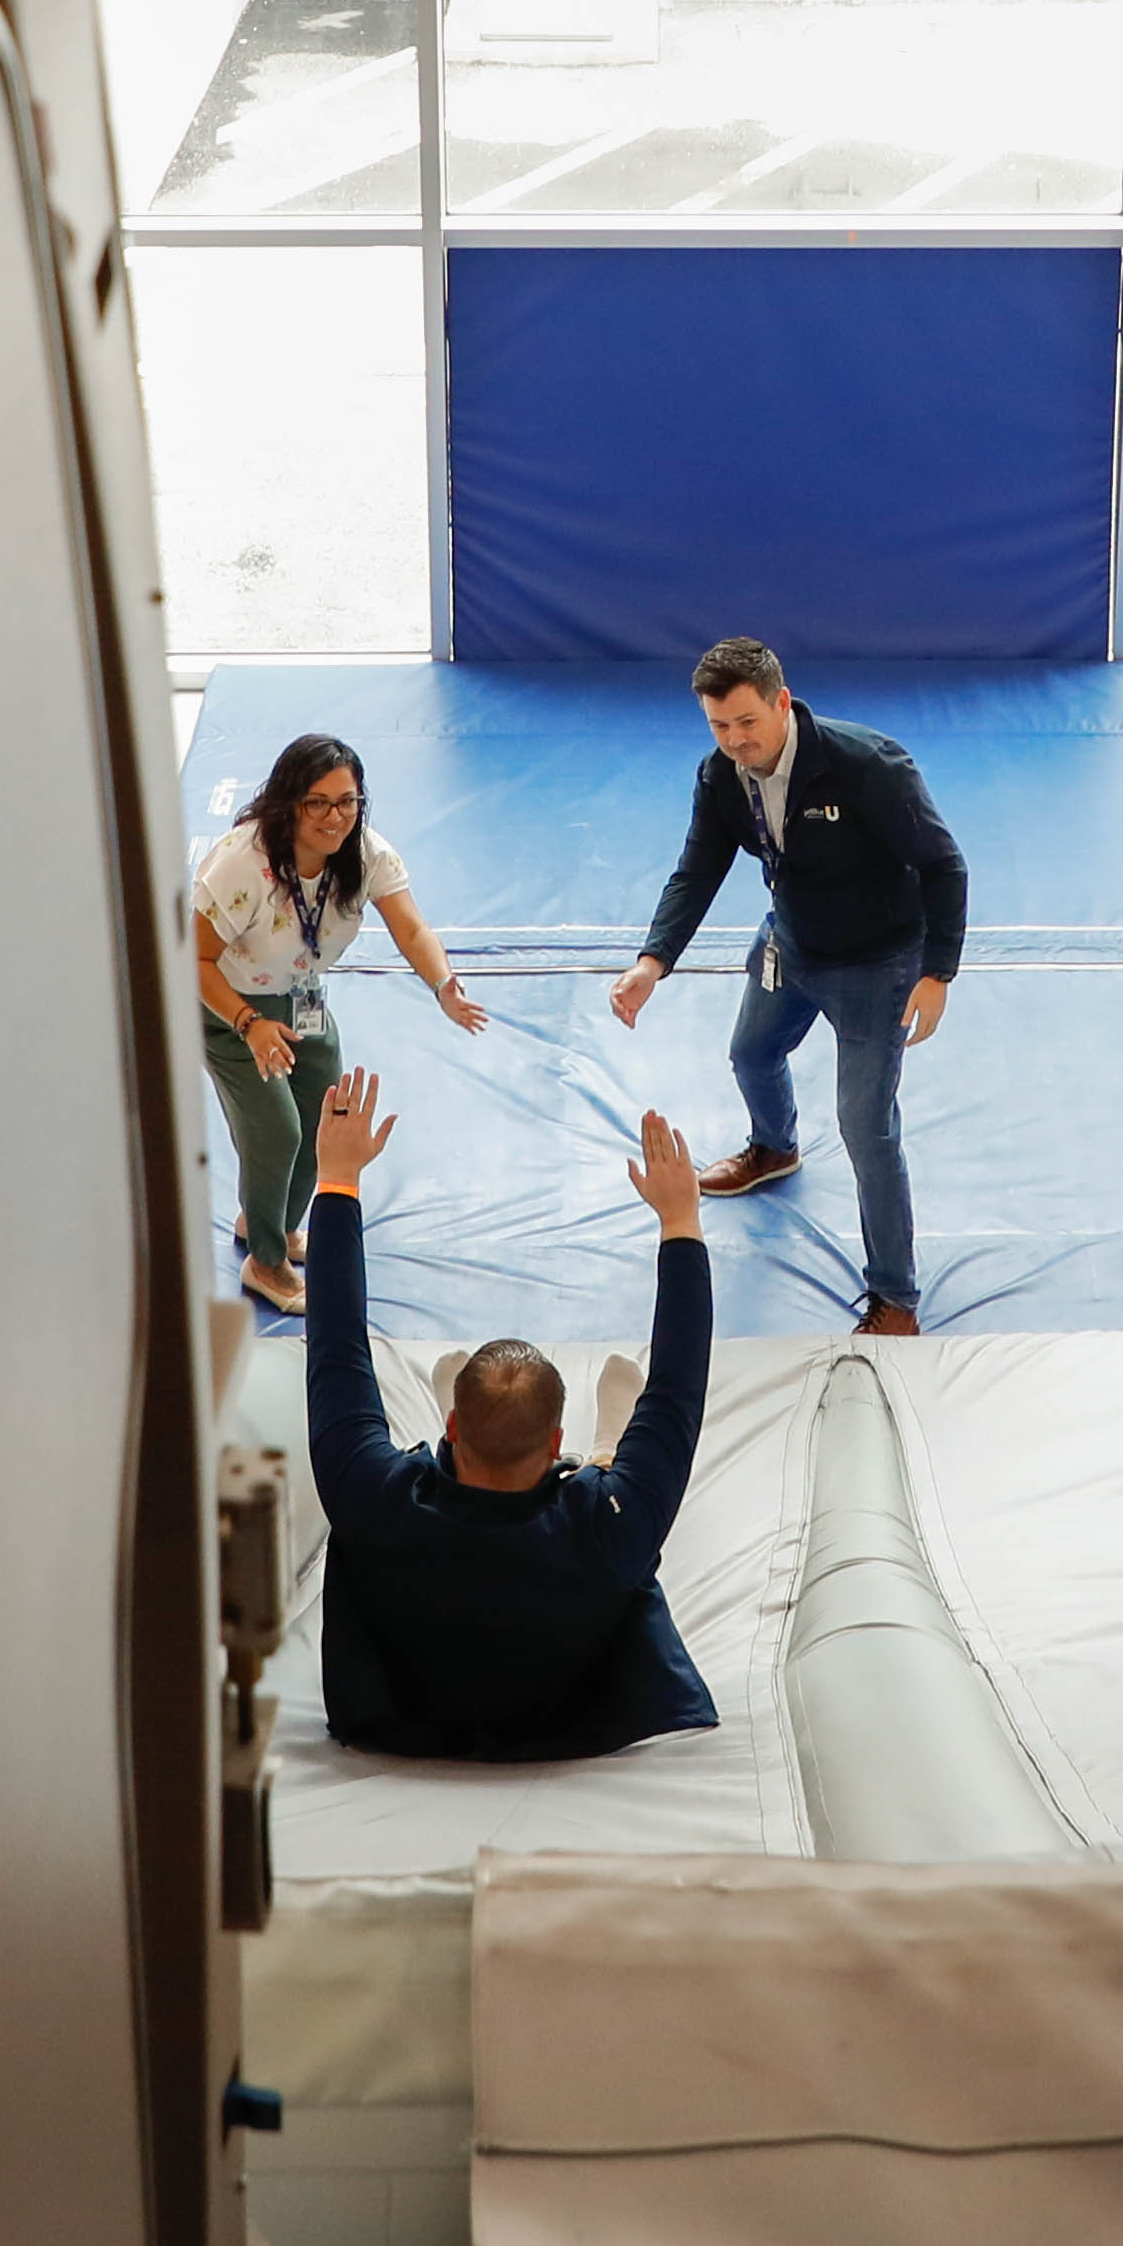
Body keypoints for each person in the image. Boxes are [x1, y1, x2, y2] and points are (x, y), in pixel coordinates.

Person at [302, 1068, 717, 1761]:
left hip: (403, 1716)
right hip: (572, 1722)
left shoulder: (372, 1497)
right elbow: (676, 1393)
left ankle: (507, 1431)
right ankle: (607, 1448)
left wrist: (337, 1179)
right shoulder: (607, 1526)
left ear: (451, 1429)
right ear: (556, 1444)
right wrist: (681, 1222)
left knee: (595, 1493)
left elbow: (335, 1345)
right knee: (618, 1478)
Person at [610, 637, 966, 1336]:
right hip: (793, 943)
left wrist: (937, 973)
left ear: (782, 703)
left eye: (747, 722)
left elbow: (944, 865)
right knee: (750, 1053)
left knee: (866, 1128)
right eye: (719, 726)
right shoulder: (722, 775)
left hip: (878, 965)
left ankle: (896, 1296)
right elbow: (697, 870)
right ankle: (775, 1148)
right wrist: (653, 961)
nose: (735, 740)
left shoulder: (868, 766)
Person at [196, 735, 487, 1313]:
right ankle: (265, 1261)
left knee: (326, 1119)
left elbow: (411, 928)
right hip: (229, 1008)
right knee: (276, 1131)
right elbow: (192, 959)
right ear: (288, 803)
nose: (336, 817)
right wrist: (249, 1024)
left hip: (301, 999)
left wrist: (443, 984)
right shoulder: (241, 865)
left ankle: (268, 1223)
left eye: (348, 801)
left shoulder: (365, 853)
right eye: (318, 803)